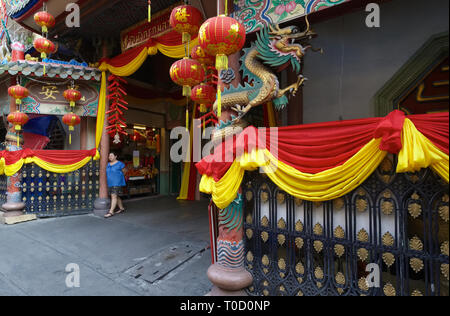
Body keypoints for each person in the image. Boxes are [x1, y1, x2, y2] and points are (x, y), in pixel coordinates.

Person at [104, 152, 127, 218]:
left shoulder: (120, 164)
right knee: (116, 196)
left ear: (115, 156)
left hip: (117, 182)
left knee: (113, 196)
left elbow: (125, 171)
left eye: (111, 155)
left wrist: (120, 178)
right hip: (110, 183)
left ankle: (111, 212)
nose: (110, 157)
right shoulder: (108, 164)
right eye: (109, 156)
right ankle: (121, 208)